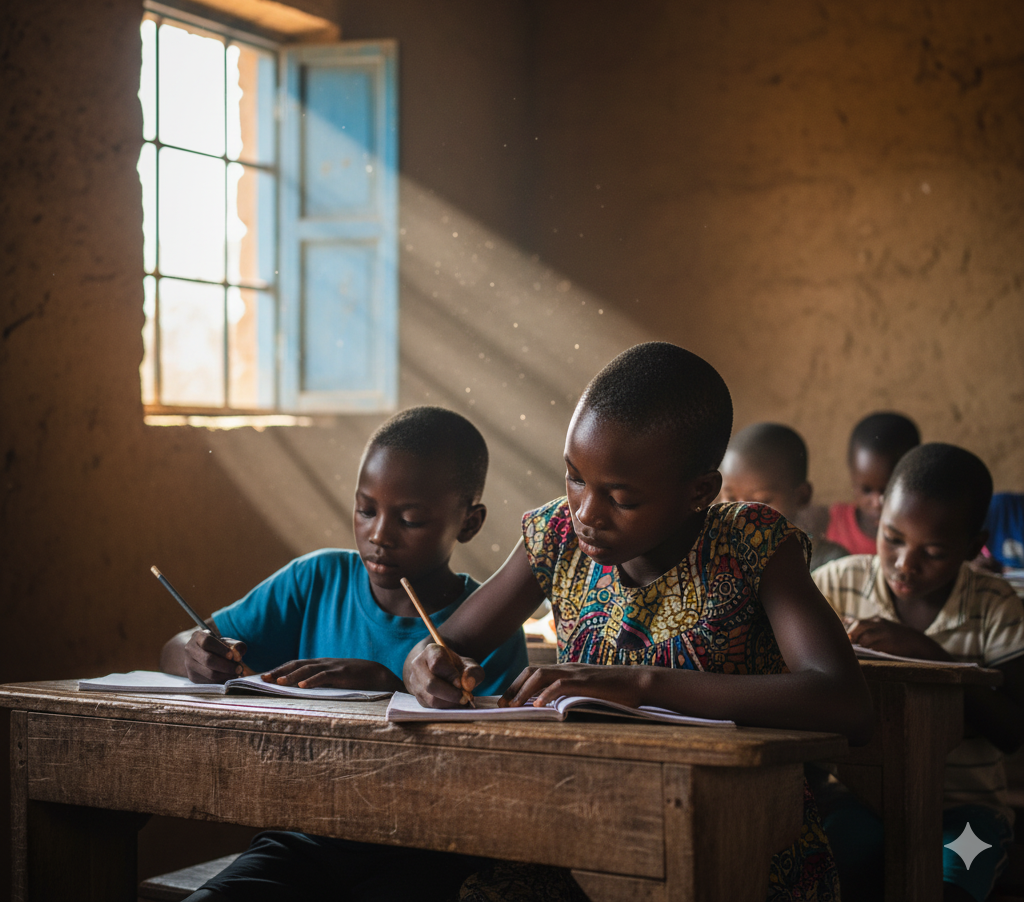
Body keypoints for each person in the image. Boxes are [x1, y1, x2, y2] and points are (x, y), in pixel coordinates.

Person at [405, 342, 875, 902]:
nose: (586, 512)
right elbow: (449, 642)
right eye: (574, 478)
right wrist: (426, 663)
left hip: (736, 840)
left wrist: (639, 685)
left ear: (699, 491)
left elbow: (847, 703)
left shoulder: (750, 544)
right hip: (582, 831)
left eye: (620, 498)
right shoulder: (556, 537)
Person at [162, 406, 529, 902]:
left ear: (469, 522)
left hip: (425, 852)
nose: (379, 534)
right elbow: (175, 647)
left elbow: (485, 775)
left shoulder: (486, 624)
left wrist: (389, 689)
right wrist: (195, 653)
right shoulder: (314, 581)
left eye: (411, 518)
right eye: (366, 509)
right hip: (303, 838)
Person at [812, 443, 1024, 902]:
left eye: (933, 551)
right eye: (892, 538)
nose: (905, 563)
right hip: (858, 799)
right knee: (834, 868)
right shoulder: (835, 585)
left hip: (967, 811)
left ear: (972, 546)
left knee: (956, 883)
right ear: (878, 516)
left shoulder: (995, 606)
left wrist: (928, 654)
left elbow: (1013, 730)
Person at [718, 421, 847, 569]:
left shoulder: (830, 566)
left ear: (801, 497)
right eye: (731, 498)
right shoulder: (712, 556)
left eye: (761, 501)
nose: (740, 514)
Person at [826, 411, 920, 556]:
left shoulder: (921, 532)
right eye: (866, 490)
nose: (876, 502)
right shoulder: (834, 524)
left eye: (887, 491)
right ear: (853, 474)